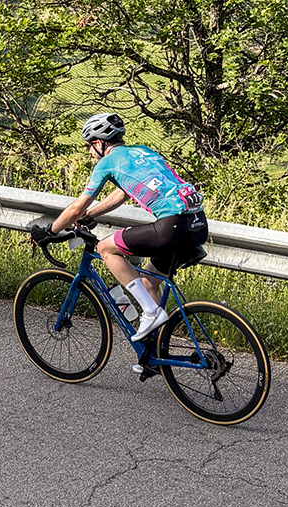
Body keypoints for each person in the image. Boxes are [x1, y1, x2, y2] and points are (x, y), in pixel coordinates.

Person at [33, 113, 208, 352]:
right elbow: (122, 193)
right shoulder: (142, 151)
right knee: (149, 283)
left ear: (98, 143)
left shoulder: (107, 162)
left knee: (105, 248)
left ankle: (151, 312)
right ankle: (156, 354)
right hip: (197, 223)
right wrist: (91, 215)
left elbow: (75, 208)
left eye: (89, 146)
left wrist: (49, 231)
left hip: (172, 225)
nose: (89, 152)